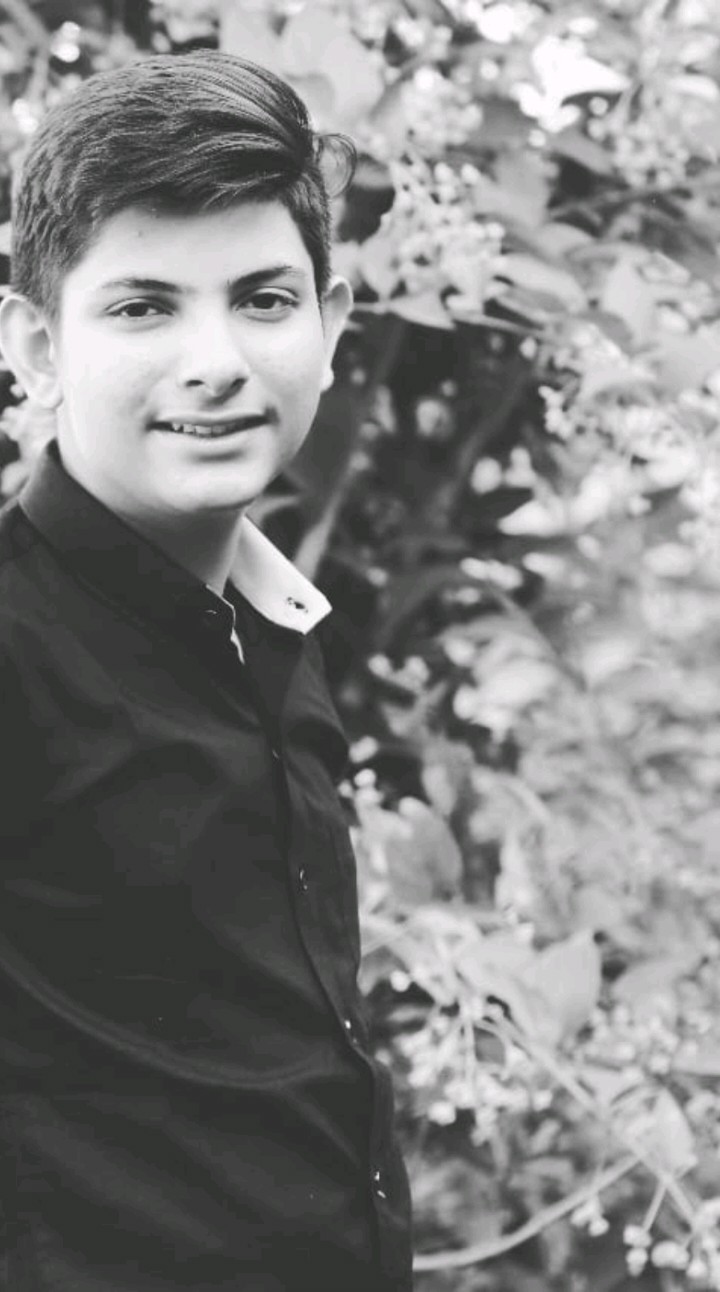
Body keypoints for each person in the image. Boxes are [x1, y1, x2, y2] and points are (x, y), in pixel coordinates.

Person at [0, 50, 413, 1291]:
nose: (216, 358)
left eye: (264, 299)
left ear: (330, 327)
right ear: (36, 344)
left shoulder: (272, 618)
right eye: (143, 307)